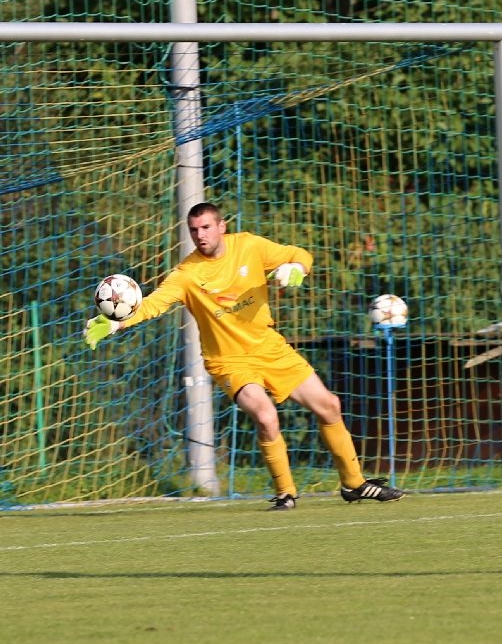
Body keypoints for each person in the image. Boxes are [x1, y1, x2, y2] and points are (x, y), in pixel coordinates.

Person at [84, 201, 405, 510]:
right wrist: (116, 324)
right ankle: (285, 494)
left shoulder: (250, 246)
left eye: (206, 227)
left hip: (270, 348)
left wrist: (296, 269)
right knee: (266, 417)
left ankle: (354, 484)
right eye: (194, 230)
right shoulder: (187, 274)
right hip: (229, 361)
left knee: (330, 405)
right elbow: (155, 303)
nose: (201, 235)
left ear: (221, 226)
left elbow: (300, 254)